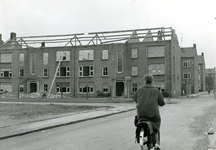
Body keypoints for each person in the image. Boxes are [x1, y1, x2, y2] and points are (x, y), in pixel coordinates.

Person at [134, 74, 165, 148]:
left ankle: (142, 136)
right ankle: (156, 143)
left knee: (139, 120)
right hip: (153, 115)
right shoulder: (156, 90)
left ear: (144, 81)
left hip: (141, 114)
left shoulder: (139, 89)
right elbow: (162, 103)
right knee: (157, 123)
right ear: (152, 81)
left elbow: (135, 99)